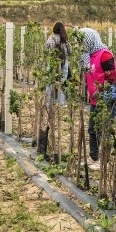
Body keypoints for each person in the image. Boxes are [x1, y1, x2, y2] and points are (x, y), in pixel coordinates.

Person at [80, 28, 116, 165]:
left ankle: (105, 161)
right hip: (94, 100)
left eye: (83, 41)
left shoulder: (104, 55)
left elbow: (113, 79)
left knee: (105, 129)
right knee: (93, 128)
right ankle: (94, 157)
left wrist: (102, 92)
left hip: (106, 99)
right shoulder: (88, 55)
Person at [38, 22, 71, 159]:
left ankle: (48, 102)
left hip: (52, 64)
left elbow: (46, 50)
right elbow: (70, 52)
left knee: (50, 84)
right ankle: (61, 102)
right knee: (61, 83)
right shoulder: (65, 40)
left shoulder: (51, 39)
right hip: (64, 65)